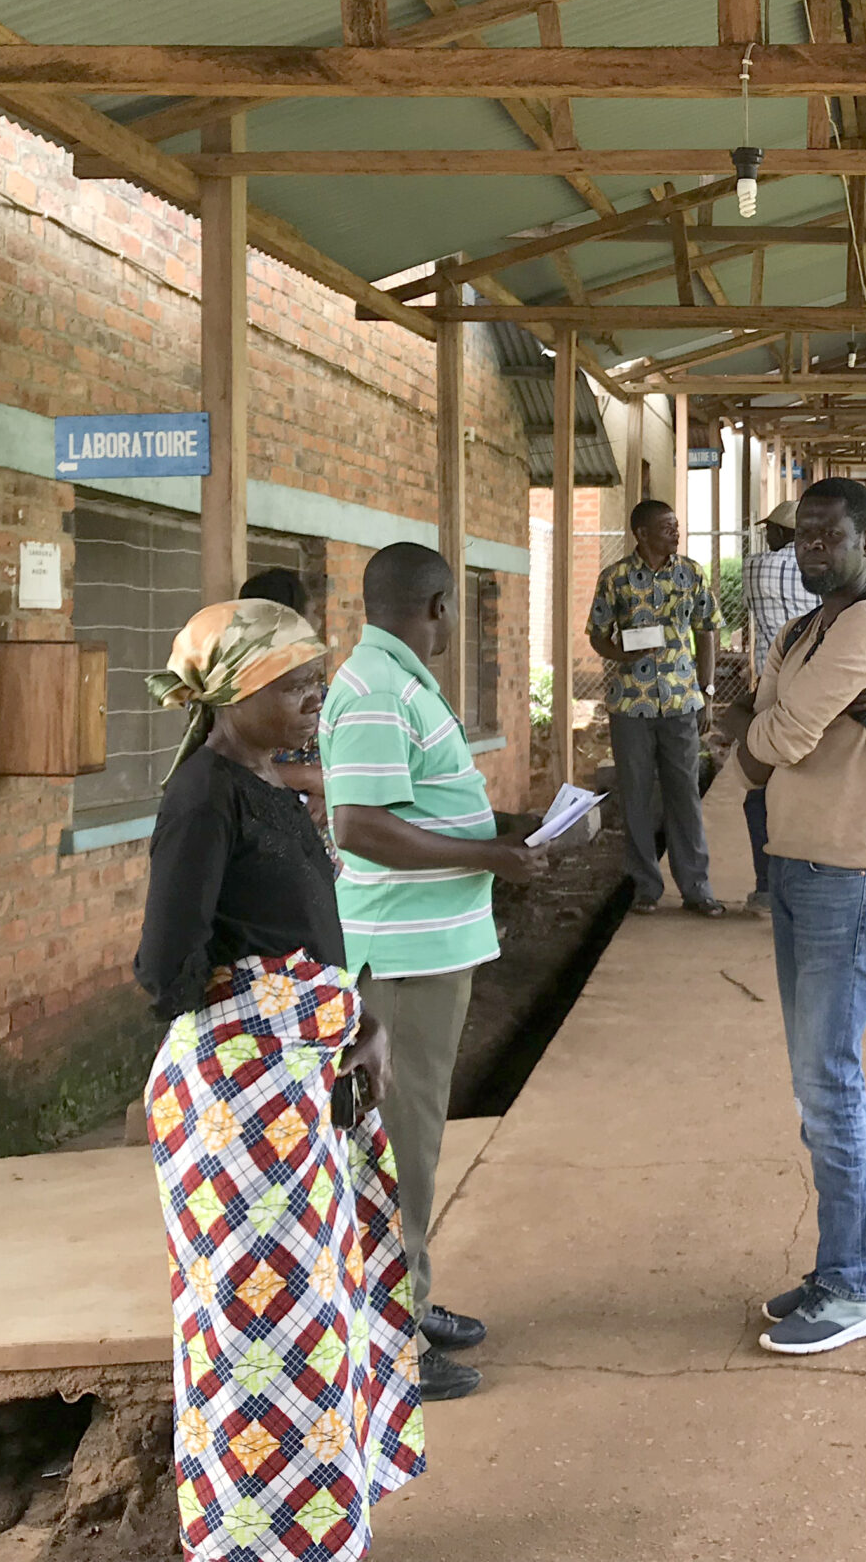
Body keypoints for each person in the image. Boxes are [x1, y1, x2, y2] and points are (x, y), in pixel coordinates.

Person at [132, 598, 424, 1559]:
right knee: (257, 1332)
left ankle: (318, 1530)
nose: (315, 698)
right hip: (242, 1112)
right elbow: (167, 974)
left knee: (315, 1321)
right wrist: (281, 1016)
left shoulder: (266, 785)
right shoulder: (203, 798)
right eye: (296, 684)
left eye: (316, 681)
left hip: (298, 1094)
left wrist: (352, 1020)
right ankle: (253, 1540)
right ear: (235, 691)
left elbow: (299, 937)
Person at [322, 541, 550, 1404]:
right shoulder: (380, 689)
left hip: (428, 948)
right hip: (399, 958)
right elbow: (359, 826)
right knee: (397, 1151)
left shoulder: (399, 680)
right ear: (438, 607)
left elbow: (422, 803)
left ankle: (408, 1299)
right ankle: (392, 1347)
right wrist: (489, 854)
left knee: (409, 1144)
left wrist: (509, 833)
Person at [714, 477, 866, 1355]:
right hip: (794, 865)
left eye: (829, 535)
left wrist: (754, 740)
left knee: (829, 1079)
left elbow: (778, 737)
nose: (811, 548)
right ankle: (849, 1259)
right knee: (813, 1081)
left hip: (851, 872)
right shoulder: (804, 630)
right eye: (802, 535)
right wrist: (763, 732)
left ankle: (858, 1282)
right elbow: (767, 717)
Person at [586, 497, 726, 916]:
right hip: (631, 705)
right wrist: (620, 654)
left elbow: (707, 631)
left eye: (677, 526)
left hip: (681, 702)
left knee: (685, 795)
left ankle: (697, 888)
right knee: (636, 797)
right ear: (642, 533)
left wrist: (707, 692)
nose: (676, 533)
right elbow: (597, 634)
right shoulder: (615, 578)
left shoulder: (691, 573)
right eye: (667, 527)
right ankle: (645, 887)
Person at [738, 500, 816, 912]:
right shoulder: (821, 571)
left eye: (770, 529)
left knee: (762, 790)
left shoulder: (755, 568)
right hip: (819, 691)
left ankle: (768, 886)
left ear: (784, 533)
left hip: (772, 695)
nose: (765, 535)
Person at [239, 567, 331, 865]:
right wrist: (309, 777)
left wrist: (328, 793)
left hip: (315, 853)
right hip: (258, 850)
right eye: (312, 613)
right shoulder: (233, 693)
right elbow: (228, 770)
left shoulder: (316, 690)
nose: (318, 622)